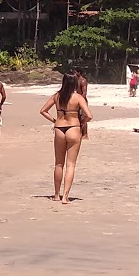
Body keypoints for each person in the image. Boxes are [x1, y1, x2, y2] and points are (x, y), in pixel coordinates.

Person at [40, 73, 91, 204]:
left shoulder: (57, 96)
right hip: (73, 128)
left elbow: (43, 110)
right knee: (71, 164)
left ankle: (57, 195)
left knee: (58, 163)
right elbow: (89, 115)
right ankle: (65, 196)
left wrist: (54, 120)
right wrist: (82, 122)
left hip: (59, 128)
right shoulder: (77, 97)